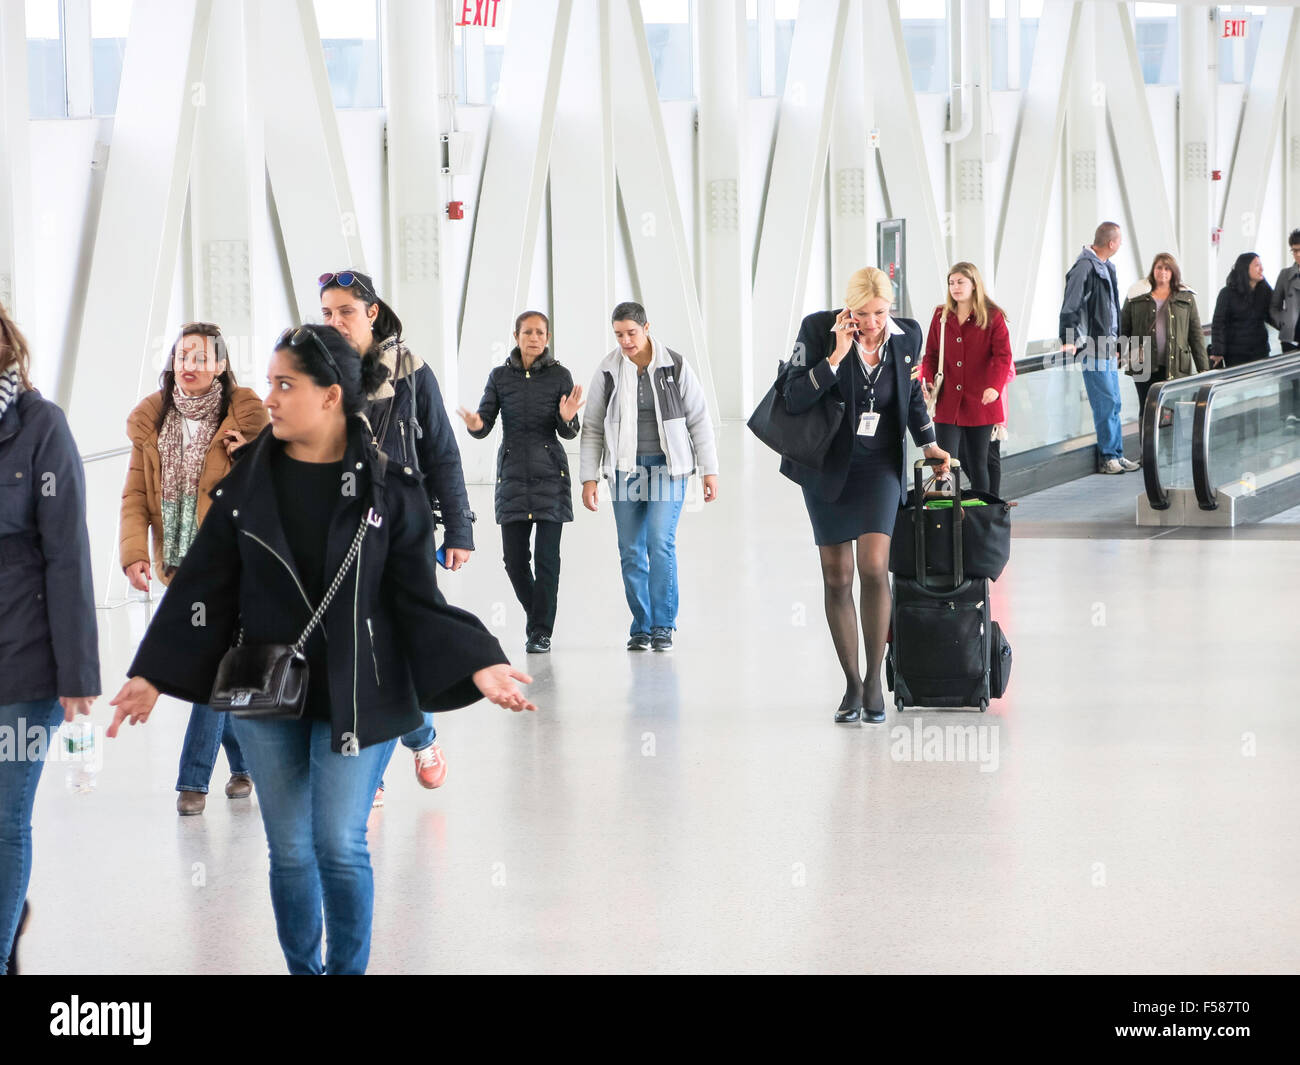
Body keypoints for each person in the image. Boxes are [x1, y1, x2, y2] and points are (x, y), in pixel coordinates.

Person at [108, 324, 535, 976]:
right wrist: (151, 673)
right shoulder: (248, 482)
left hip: (361, 686)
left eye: (286, 384)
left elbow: (418, 600)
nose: (269, 398)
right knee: (291, 851)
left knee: (338, 844)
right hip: (267, 686)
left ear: (332, 395)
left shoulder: (390, 489)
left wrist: (479, 658)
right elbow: (205, 584)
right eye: (272, 381)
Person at [320, 269, 472, 800]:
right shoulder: (316, 372)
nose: (335, 322)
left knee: (399, 645)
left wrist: (459, 528)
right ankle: (373, 766)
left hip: (405, 532)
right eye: (327, 313)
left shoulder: (411, 372)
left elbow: (442, 453)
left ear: (372, 313)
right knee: (354, 651)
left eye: (344, 311)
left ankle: (422, 737)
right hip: (337, 533)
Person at [781, 267, 951, 725]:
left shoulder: (907, 335)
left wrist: (929, 441)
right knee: (837, 576)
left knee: (874, 565)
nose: (872, 323)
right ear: (848, 308)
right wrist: (835, 356)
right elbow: (794, 398)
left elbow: (913, 394)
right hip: (827, 466)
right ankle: (852, 683)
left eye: (879, 313)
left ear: (890, 308)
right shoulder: (818, 331)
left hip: (879, 466)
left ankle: (875, 678)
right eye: (862, 314)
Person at [120, 322, 267, 815]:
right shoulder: (153, 420)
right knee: (216, 668)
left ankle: (192, 781)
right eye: (183, 356)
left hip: (230, 563)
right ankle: (245, 766)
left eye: (201, 357)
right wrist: (135, 553)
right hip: (178, 563)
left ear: (222, 365)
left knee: (212, 668)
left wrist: (242, 450)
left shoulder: (243, 416)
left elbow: (267, 485)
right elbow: (136, 494)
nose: (190, 365)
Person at [0, 302, 100, 974]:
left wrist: (78, 677)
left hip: (25, 662)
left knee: (5, 818)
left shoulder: (41, 427)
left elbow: (68, 553)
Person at [579, 301, 719, 652]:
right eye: (619, 335)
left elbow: (699, 419)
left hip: (668, 468)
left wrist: (709, 470)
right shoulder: (608, 370)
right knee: (630, 550)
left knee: (659, 541)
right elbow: (593, 426)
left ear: (647, 328)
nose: (625, 341)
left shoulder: (675, 364)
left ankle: (662, 625)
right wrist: (589, 478)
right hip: (625, 470)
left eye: (631, 333)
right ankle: (640, 625)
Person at [458, 311, 584, 653]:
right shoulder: (499, 377)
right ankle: (537, 617)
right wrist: (474, 424)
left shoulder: (560, 376)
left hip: (550, 477)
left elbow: (569, 432)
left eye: (540, 332)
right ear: (516, 336)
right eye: (527, 332)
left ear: (547, 337)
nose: (534, 338)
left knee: (547, 561)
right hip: (512, 476)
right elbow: (484, 425)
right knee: (514, 560)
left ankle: (540, 632)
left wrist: (567, 418)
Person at [919, 262, 1013, 493]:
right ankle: (948, 516)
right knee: (944, 463)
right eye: (951, 282)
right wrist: (929, 380)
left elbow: (1003, 356)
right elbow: (930, 354)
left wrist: (995, 386)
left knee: (978, 463)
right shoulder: (941, 315)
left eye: (961, 282)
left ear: (974, 284)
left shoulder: (992, 316)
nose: (955, 287)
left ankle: (983, 515)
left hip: (981, 402)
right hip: (948, 401)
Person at [1059, 222, 1138, 474]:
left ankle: (1116, 452)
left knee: (1113, 402)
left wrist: (1116, 345)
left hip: (1105, 347)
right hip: (1091, 347)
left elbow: (1113, 310)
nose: (1121, 245)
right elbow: (1070, 304)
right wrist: (1068, 338)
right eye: (1120, 241)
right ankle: (1107, 457)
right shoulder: (1085, 268)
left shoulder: (1106, 268)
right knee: (1105, 403)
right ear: (1111, 243)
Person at [1120, 253, 1209, 438]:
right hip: (1142, 363)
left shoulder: (1186, 297)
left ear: (1173, 272)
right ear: (1153, 270)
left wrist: (1204, 370)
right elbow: (1123, 327)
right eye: (1159, 267)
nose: (1162, 272)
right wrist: (1119, 353)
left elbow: (1196, 335)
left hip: (1175, 364)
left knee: (1168, 410)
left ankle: (1166, 455)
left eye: (1167, 268)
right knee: (1146, 409)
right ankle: (1147, 454)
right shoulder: (1137, 294)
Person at [1211, 252, 1273, 367]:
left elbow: (1273, 316)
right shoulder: (1227, 293)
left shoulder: (1265, 291)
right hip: (1236, 354)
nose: (1261, 269)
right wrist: (1218, 351)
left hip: (1260, 351)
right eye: (1256, 265)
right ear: (1245, 268)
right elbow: (1219, 323)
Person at [1269, 229, 1300, 354]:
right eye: (1295, 251)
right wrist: (1283, 321)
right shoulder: (1285, 275)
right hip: (1290, 338)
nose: (1298, 254)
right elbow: (1274, 306)